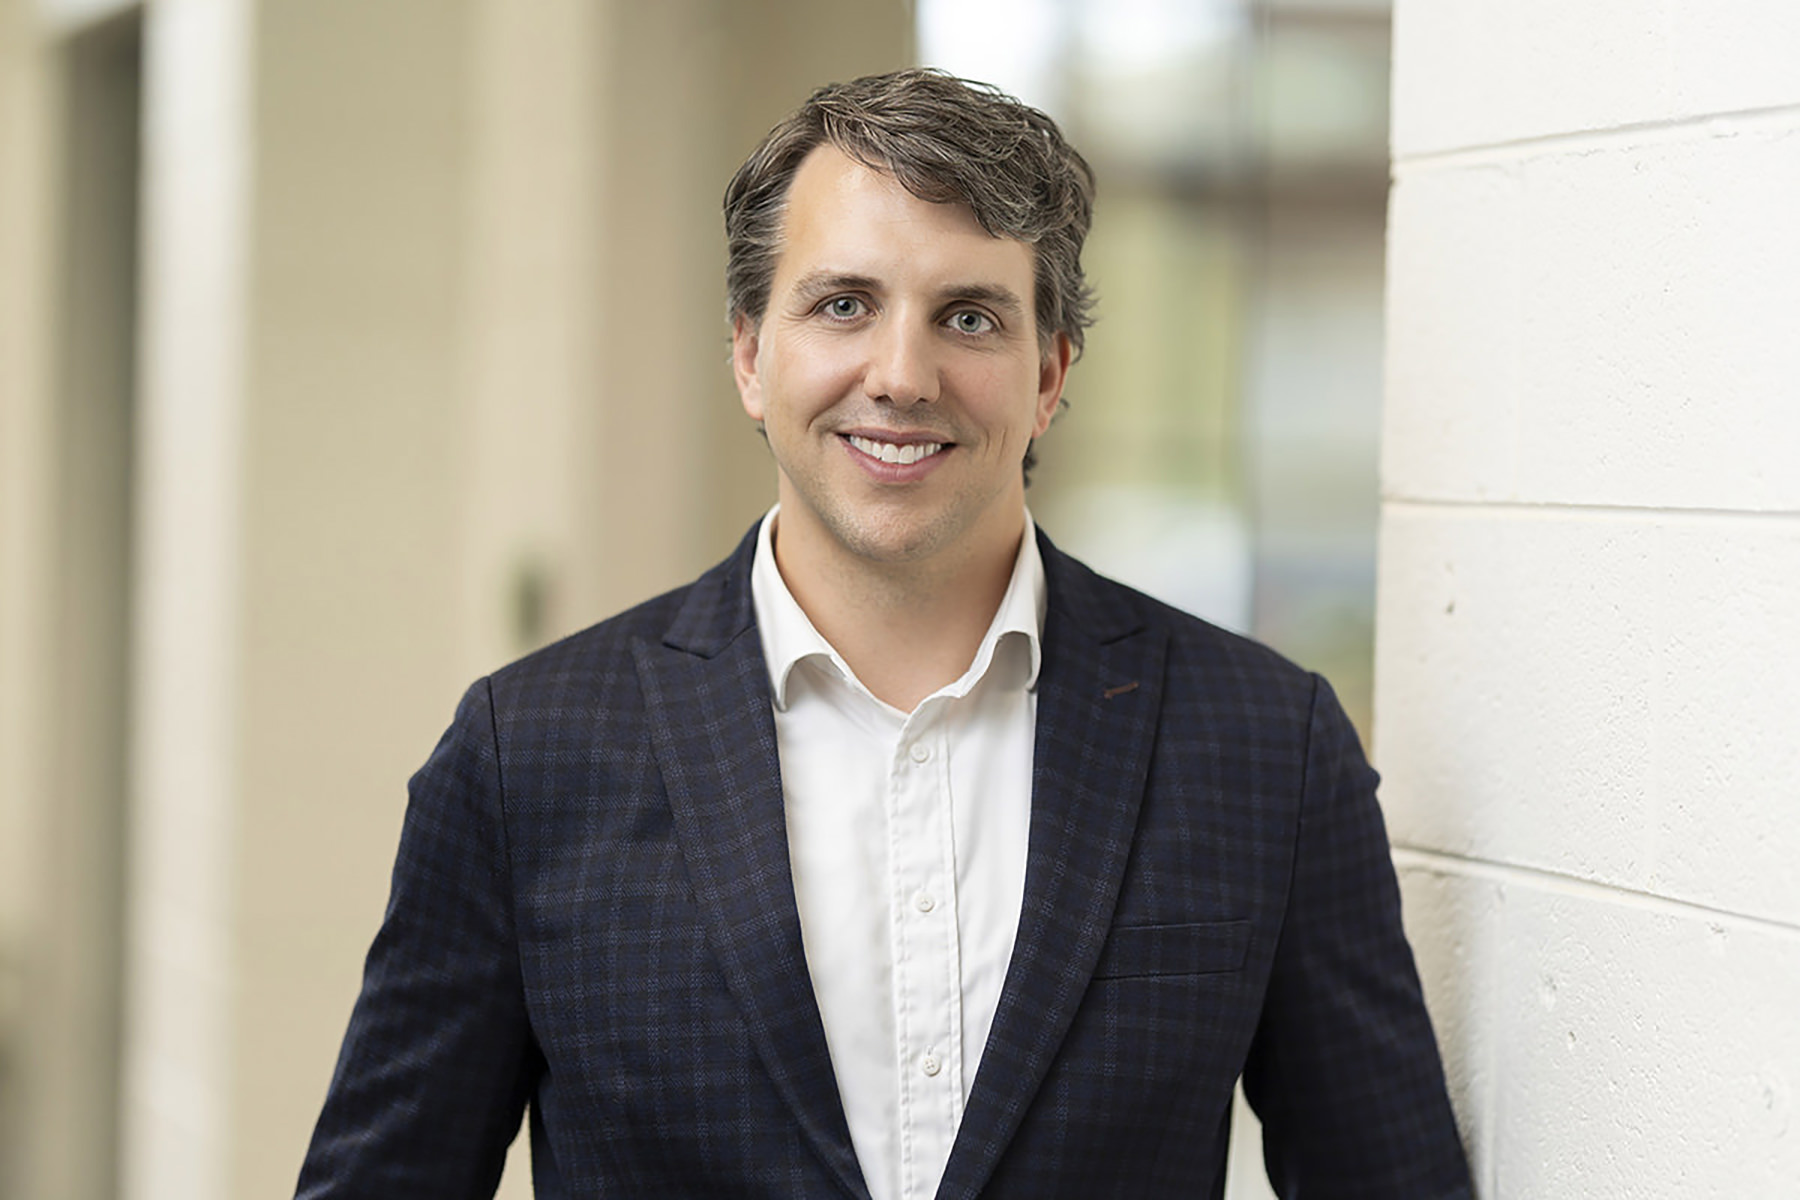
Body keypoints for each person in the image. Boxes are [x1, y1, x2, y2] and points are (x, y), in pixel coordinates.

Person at [296, 68, 1471, 1199]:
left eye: (968, 316)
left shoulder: (1263, 748)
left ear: (1050, 374)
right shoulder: (526, 756)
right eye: (843, 304)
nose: (902, 376)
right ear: (752, 354)